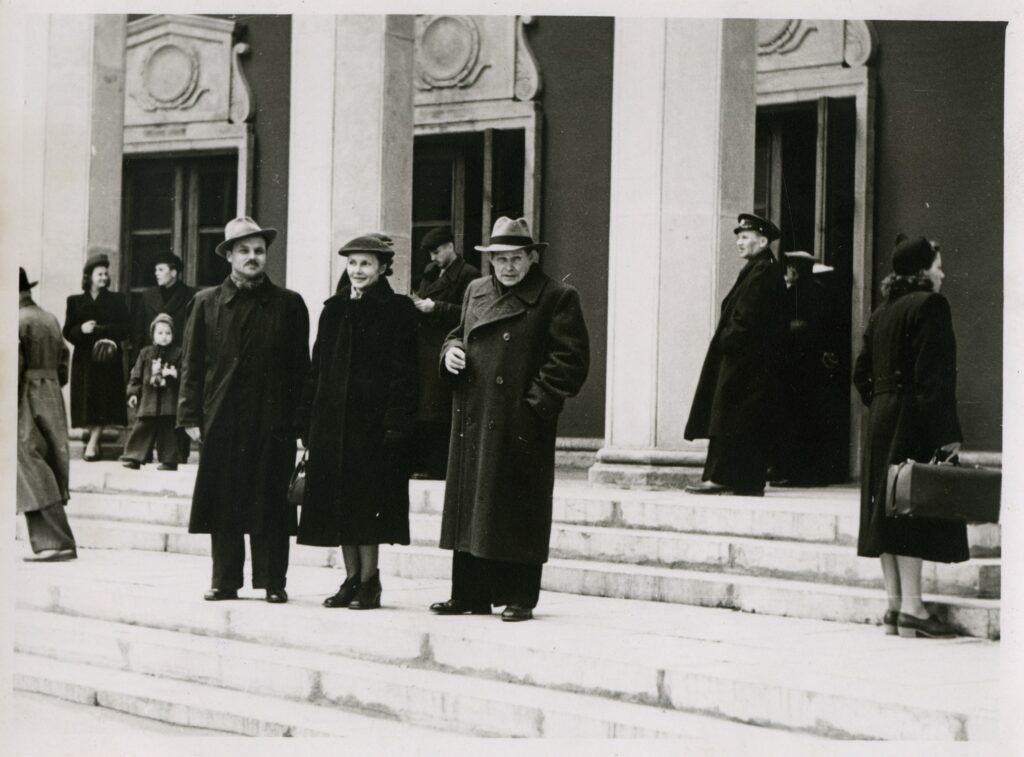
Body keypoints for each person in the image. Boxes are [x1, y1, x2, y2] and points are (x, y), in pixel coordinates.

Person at [430, 216, 590, 622]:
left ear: (532, 257)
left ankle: (519, 596)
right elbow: (458, 333)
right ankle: (468, 594)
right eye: (500, 258)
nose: (508, 267)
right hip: (475, 414)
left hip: (519, 422)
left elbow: (570, 361)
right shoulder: (475, 290)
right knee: (473, 506)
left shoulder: (556, 296)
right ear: (490, 260)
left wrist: (534, 406)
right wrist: (449, 352)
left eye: (517, 258)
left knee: (519, 508)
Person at [178, 216, 310, 604]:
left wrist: (301, 421)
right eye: (244, 251)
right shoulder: (205, 303)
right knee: (225, 499)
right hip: (223, 418)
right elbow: (192, 363)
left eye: (258, 251)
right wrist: (189, 416)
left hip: (274, 421)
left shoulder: (289, 304)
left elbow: (301, 369)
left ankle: (273, 581)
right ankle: (224, 580)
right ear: (229, 257)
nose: (252, 258)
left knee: (271, 499)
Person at [853, 235, 967, 639]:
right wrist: (947, 434)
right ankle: (915, 610)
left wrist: (883, 402)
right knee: (910, 509)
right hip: (913, 417)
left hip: (883, 419)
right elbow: (934, 379)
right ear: (921, 270)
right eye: (938, 264)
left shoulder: (881, 312)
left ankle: (894, 607)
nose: (943, 272)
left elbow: (860, 374)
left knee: (886, 509)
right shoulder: (931, 305)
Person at [297, 235, 418, 610]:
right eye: (352, 264)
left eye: (365, 264)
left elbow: (405, 372)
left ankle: (370, 581)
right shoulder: (333, 310)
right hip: (333, 425)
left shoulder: (398, 310)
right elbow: (317, 370)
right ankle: (350, 579)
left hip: (374, 428)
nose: (357, 271)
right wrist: (308, 423)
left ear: (382, 267)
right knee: (339, 505)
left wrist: (395, 423)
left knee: (368, 506)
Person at [684, 213, 785, 496]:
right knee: (741, 419)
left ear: (763, 241)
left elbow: (747, 318)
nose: (739, 242)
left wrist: (727, 343)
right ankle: (742, 480)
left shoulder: (762, 270)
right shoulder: (761, 268)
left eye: (745, 237)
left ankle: (722, 476)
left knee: (730, 416)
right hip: (748, 361)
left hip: (744, 361)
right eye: (738, 237)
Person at [410, 227, 480, 479]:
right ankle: (423, 464)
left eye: (437, 252)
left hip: (445, 347)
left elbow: (470, 312)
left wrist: (435, 307)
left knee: (439, 409)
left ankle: (438, 466)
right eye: (430, 253)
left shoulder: (469, 274)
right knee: (424, 407)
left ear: (451, 246)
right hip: (424, 347)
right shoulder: (430, 272)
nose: (433, 258)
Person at [19, 268, 77, 562]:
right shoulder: (48, 318)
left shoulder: (15, 320)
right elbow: (64, 361)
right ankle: (53, 541)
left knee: (29, 464)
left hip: (24, 397)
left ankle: (54, 541)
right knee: (50, 460)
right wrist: (50, 384)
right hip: (51, 393)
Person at [768, 251, 833, 487]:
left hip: (798, 367)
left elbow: (800, 327)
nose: (789, 272)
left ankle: (795, 472)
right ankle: (799, 472)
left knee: (796, 420)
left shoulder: (801, 292)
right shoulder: (816, 291)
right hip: (805, 367)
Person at [63, 252, 130, 461]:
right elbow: (67, 331)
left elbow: (126, 328)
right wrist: (81, 329)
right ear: (89, 276)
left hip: (107, 357)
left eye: (105, 274)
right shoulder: (74, 301)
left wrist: (101, 330)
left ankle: (92, 444)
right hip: (84, 359)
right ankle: (95, 440)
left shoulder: (117, 300)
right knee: (87, 402)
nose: (103, 278)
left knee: (104, 401)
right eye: (99, 274)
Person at [130, 252, 195, 462]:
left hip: (178, 361)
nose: (156, 273)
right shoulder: (147, 296)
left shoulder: (191, 296)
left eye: (161, 269)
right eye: (155, 270)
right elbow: (140, 332)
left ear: (174, 272)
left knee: (174, 414)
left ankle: (175, 456)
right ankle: (141, 454)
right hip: (152, 364)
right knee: (147, 414)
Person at [121, 313, 182, 471]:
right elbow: (136, 375)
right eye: (160, 333)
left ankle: (169, 460)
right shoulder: (145, 353)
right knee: (142, 428)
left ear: (173, 335)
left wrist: (175, 374)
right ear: (153, 335)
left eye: (168, 333)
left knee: (168, 431)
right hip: (149, 400)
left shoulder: (178, 353)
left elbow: (186, 374)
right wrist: (133, 393)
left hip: (169, 400)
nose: (164, 337)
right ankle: (134, 457)